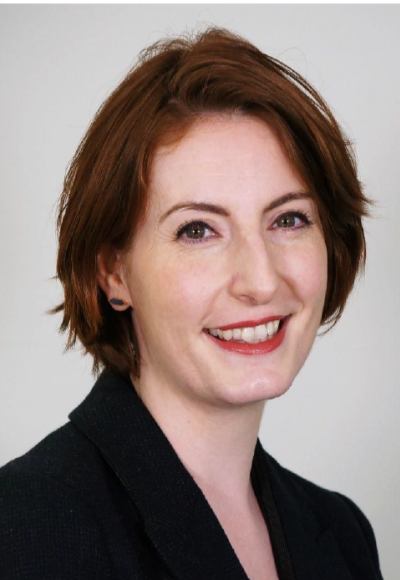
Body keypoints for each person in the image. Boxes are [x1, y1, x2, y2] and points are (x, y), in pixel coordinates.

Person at [0, 27, 383, 580]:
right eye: (198, 230)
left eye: (288, 219)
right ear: (114, 274)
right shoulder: (25, 527)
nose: (260, 280)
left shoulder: (343, 533)